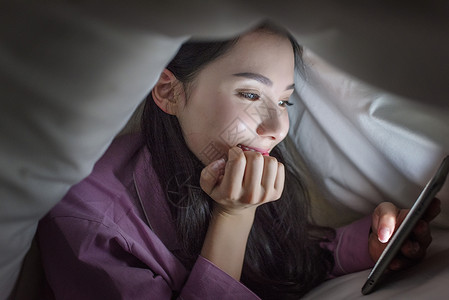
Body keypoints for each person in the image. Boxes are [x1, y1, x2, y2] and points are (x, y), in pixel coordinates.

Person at [37, 22, 440, 299]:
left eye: (284, 101)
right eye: (250, 95)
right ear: (169, 92)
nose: (277, 126)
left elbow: (290, 262)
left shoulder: (232, 161)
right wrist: (233, 217)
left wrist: (372, 246)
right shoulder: (88, 216)